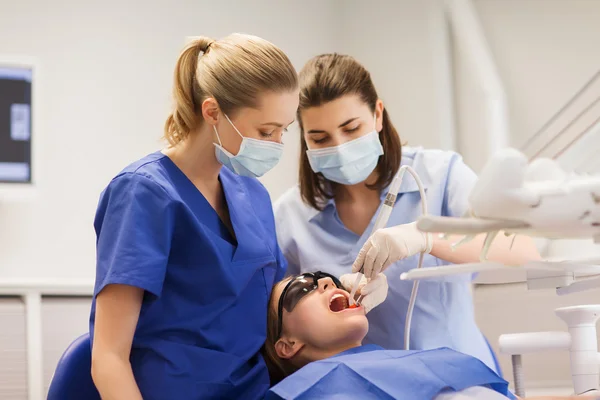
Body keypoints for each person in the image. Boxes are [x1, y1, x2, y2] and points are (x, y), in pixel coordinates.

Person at [273, 53, 541, 372]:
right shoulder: (290, 216)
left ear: (378, 115)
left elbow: (522, 248)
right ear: (303, 139)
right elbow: (282, 323)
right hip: (368, 386)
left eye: (351, 128)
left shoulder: (439, 175)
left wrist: (424, 237)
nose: (340, 147)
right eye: (320, 138)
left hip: (458, 377)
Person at [89, 34, 299, 400]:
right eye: (266, 131)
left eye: (284, 130)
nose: (277, 144)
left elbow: (267, 304)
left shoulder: (253, 195)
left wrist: (343, 288)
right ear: (213, 112)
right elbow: (108, 357)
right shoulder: (144, 193)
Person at [263, 273, 588, 400]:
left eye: (329, 279)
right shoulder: (314, 393)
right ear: (287, 345)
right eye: (302, 288)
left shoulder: (398, 364)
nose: (326, 284)